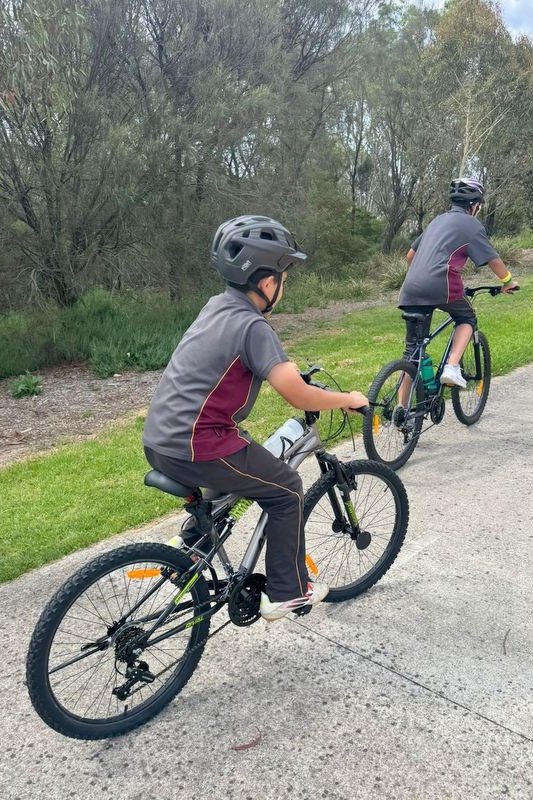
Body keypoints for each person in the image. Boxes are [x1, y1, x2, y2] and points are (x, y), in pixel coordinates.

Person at [142, 214, 368, 622]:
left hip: (161, 440)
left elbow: (233, 363)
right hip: (198, 445)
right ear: (267, 283)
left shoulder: (217, 307)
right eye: (285, 274)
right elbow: (294, 393)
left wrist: (285, 366)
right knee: (286, 489)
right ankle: (288, 592)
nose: (285, 283)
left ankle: (191, 549)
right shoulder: (253, 326)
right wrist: (346, 398)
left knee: (241, 455)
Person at [398, 178, 519, 388]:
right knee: (467, 318)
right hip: (441, 284)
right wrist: (507, 281)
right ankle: (452, 367)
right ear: (474, 205)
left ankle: (402, 411)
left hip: (410, 288)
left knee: (413, 352)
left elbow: (410, 256)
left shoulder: (436, 221)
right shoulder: (471, 224)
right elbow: (493, 259)